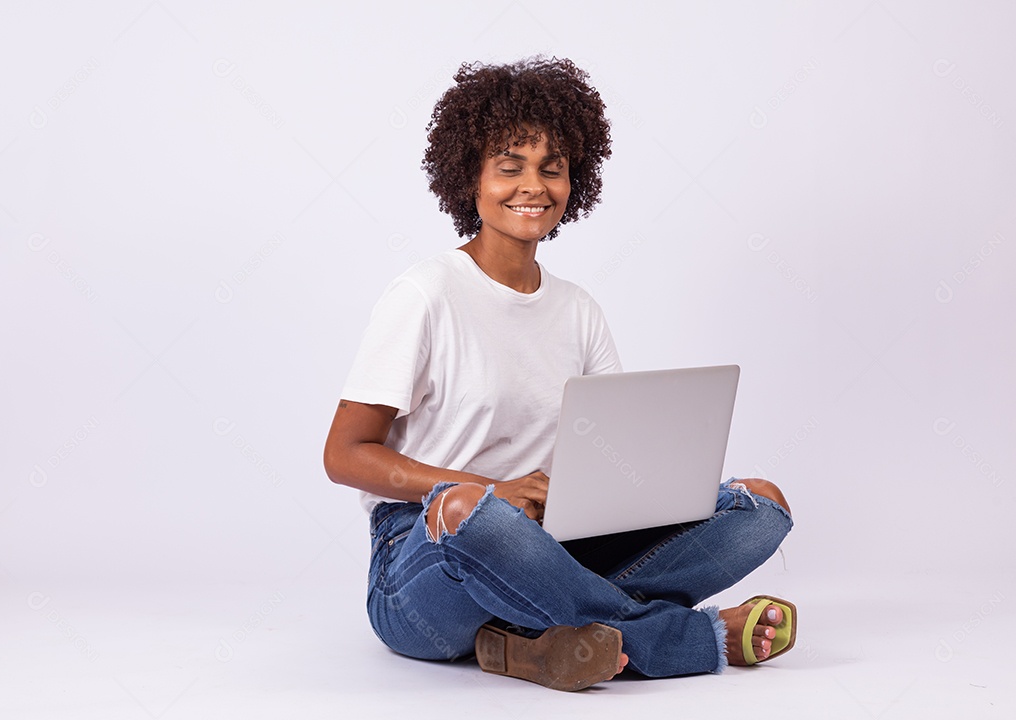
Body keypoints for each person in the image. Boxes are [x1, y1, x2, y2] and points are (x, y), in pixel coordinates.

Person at [323, 57, 796, 691]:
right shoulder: (424, 295)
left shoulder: (578, 310)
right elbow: (344, 454)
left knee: (761, 505)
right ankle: (685, 638)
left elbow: (611, 456)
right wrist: (495, 490)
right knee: (473, 509)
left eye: (553, 168)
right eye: (510, 166)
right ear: (472, 177)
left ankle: (537, 636)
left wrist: (640, 491)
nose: (533, 186)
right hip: (428, 555)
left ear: (577, 179)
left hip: (553, 539)